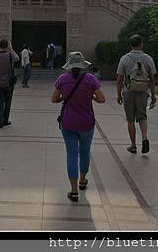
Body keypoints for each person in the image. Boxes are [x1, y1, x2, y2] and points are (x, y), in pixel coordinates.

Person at [52, 51, 106, 202]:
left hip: (68, 123)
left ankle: (74, 190)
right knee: (85, 151)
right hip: (87, 123)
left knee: (71, 154)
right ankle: (83, 180)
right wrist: (91, 96)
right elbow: (102, 99)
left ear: (69, 65)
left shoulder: (63, 79)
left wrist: (65, 96)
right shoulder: (90, 79)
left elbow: (54, 99)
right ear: (83, 64)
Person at [116, 34, 157, 155]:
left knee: (130, 119)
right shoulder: (148, 59)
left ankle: (133, 145)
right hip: (143, 91)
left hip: (128, 91)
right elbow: (153, 80)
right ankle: (144, 137)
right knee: (142, 116)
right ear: (141, 44)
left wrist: (119, 95)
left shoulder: (124, 58)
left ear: (130, 45)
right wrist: (153, 95)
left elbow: (119, 79)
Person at [0, 39, 19, 129]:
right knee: (7, 103)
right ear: (7, 46)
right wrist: (11, 49)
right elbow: (17, 58)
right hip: (9, 83)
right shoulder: (10, 55)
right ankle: (5, 120)